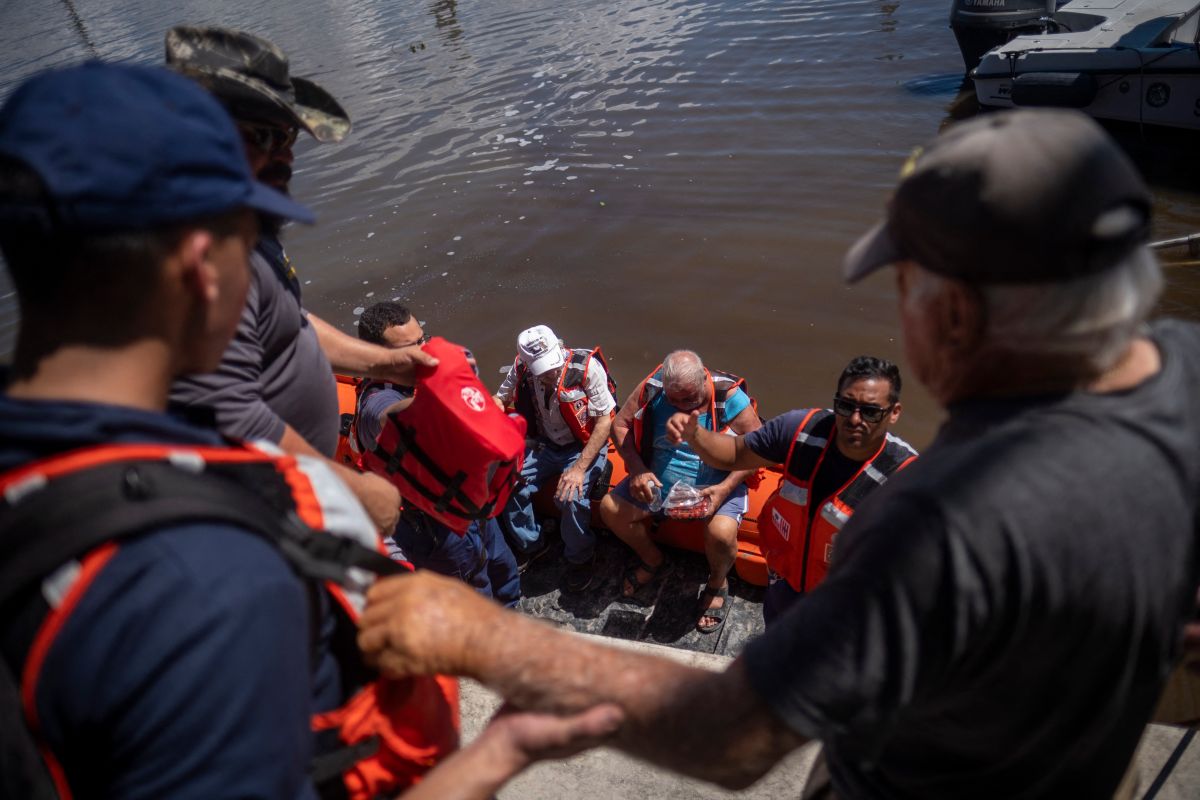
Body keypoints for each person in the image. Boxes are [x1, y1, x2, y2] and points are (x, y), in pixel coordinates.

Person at [358, 109, 1200, 799]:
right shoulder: (1184, 384)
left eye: (905, 283)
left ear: (954, 311)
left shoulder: (933, 519)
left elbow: (733, 736)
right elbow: (747, 445)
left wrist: (483, 642)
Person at [0, 62, 618, 800]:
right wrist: (500, 752)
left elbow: (288, 325)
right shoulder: (219, 582)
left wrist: (388, 364)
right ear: (205, 270)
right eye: (252, 227)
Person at [165, 26, 429, 532]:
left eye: (288, 135)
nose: (286, 153)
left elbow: (289, 321)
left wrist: (393, 363)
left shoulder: (247, 226)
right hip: (266, 511)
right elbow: (224, 412)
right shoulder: (196, 253)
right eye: (265, 136)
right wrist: (350, 490)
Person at [666, 356, 917, 625]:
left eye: (870, 411)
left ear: (894, 413)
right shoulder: (800, 430)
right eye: (845, 406)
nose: (854, 419)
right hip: (785, 583)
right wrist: (696, 435)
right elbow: (735, 453)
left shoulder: (906, 479)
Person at [352, 301, 520, 608]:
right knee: (474, 596)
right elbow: (389, 416)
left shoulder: (417, 382)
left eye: (422, 339)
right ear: (377, 356)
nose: (423, 352)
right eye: (409, 348)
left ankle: (512, 613)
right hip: (434, 528)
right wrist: (448, 394)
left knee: (502, 567)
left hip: (470, 506)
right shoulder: (377, 404)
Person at [602, 349, 760, 633]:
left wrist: (723, 490)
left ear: (704, 379)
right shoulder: (652, 387)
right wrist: (637, 468)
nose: (682, 408)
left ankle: (717, 581)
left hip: (716, 485)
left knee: (722, 534)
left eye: (690, 400)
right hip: (658, 483)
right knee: (610, 509)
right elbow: (621, 423)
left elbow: (758, 449)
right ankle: (652, 559)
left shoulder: (730, 397)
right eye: (674, 401)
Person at [494, 324, 616, 591]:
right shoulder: (521, 367)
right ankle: (533, 544)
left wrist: (579, 468)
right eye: (542, 369)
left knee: (569, 497)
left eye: (551, 366)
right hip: (544, 444)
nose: (549, 373)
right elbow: (501, 399)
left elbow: (604, 422)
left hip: (581, 446)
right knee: (508, 482)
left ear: (559, 348)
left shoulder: (586, 369)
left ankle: (581, 557)